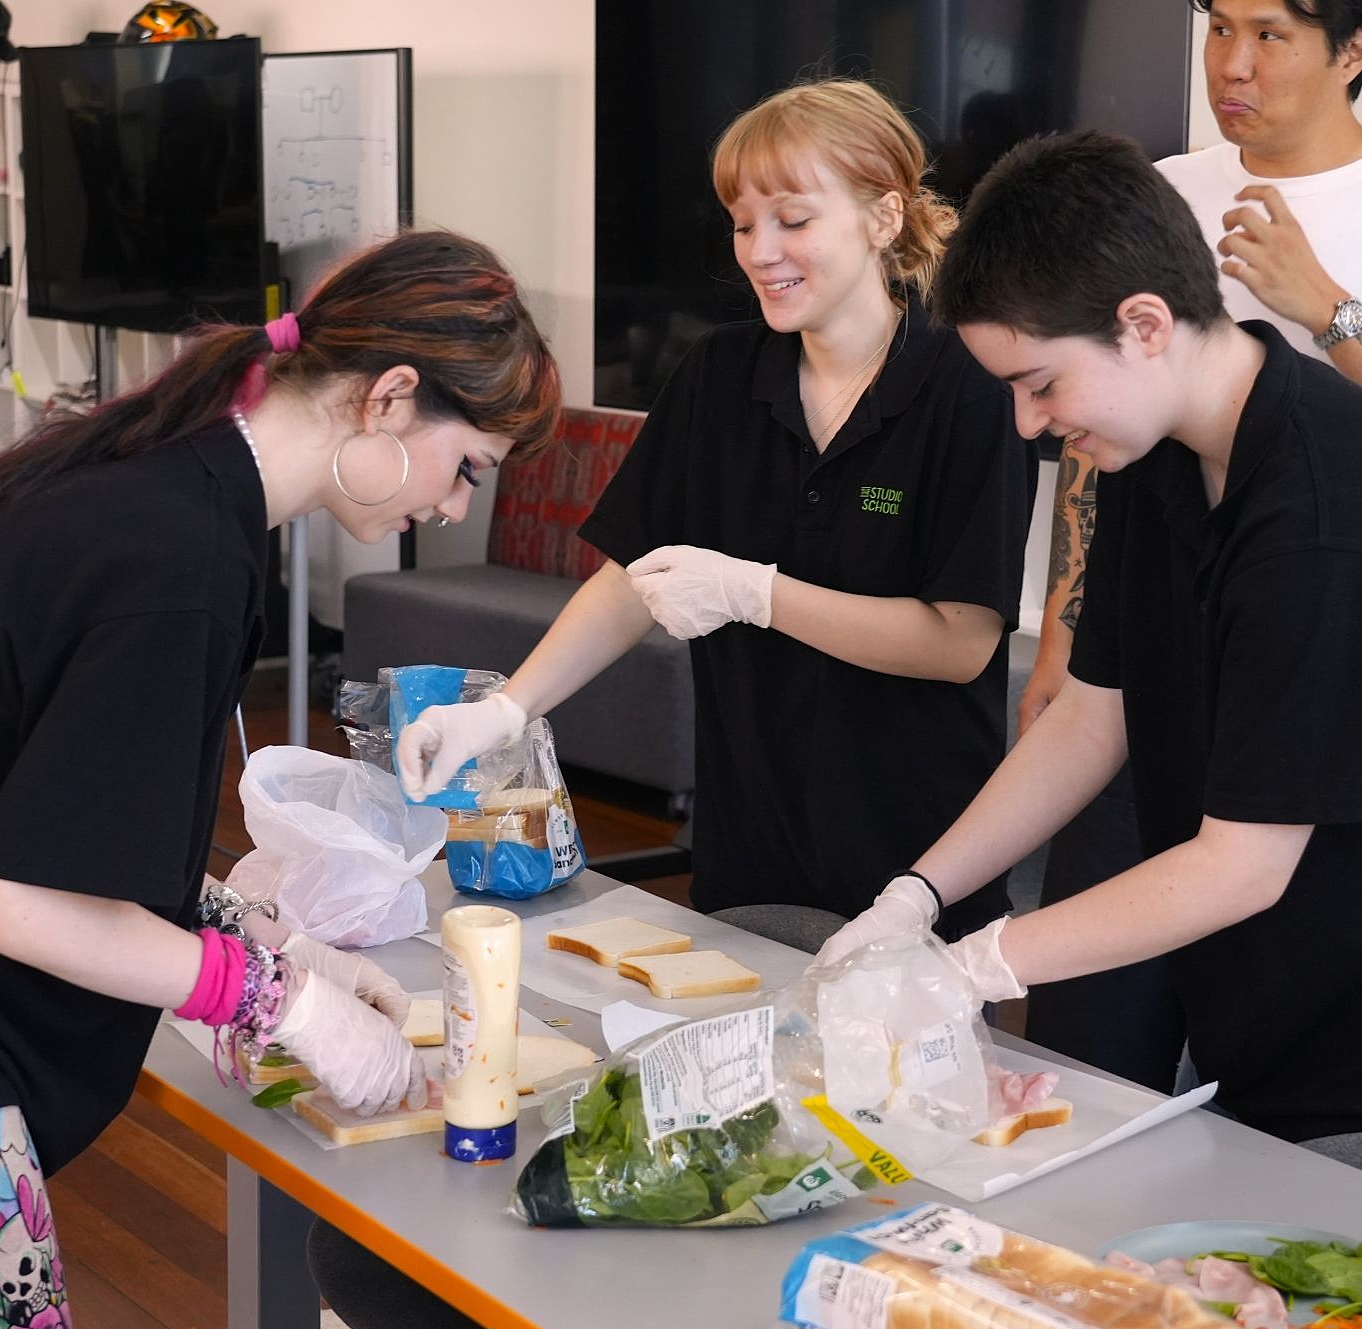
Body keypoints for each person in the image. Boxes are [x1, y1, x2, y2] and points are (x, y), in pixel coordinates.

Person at [0, 231, 561, 1329]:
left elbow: (61, 817)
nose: (449, 508)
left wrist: (272, 938)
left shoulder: (179, 491)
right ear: (389, 398)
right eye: (466, 468)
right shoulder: (178, 556)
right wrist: (275, 1001)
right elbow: (30, 905)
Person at [818, 129, 1362, 1148]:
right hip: (1289, 989)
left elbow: (1242, 865)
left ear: (1143, 324)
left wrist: (975, 965)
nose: (1025, 425)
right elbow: (1090, 715)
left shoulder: (1327, 513)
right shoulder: (1155, 456)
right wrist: (914, 895)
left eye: (1039, 384)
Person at [1020, 0, 1362, 1089]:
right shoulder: (1163, 190)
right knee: (1084, 1040)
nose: (1229, 66)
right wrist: (1067, 619)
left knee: (1297, 1019)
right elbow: (1093, 432)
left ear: (1352, 52)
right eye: (1216, 30)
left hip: (1334, 670)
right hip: (1161, 651)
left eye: (1268, 37)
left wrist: (1328, 310)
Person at [397, 80, 1035, 939]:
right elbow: (635, 577)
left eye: (793, 220)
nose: (760, 250)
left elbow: (961, 643)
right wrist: (507, 709)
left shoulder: (970, 389)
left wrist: (757, 594)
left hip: (918, 864)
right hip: (751, 850)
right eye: (743, 223)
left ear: (884, 218)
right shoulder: (722, 376)